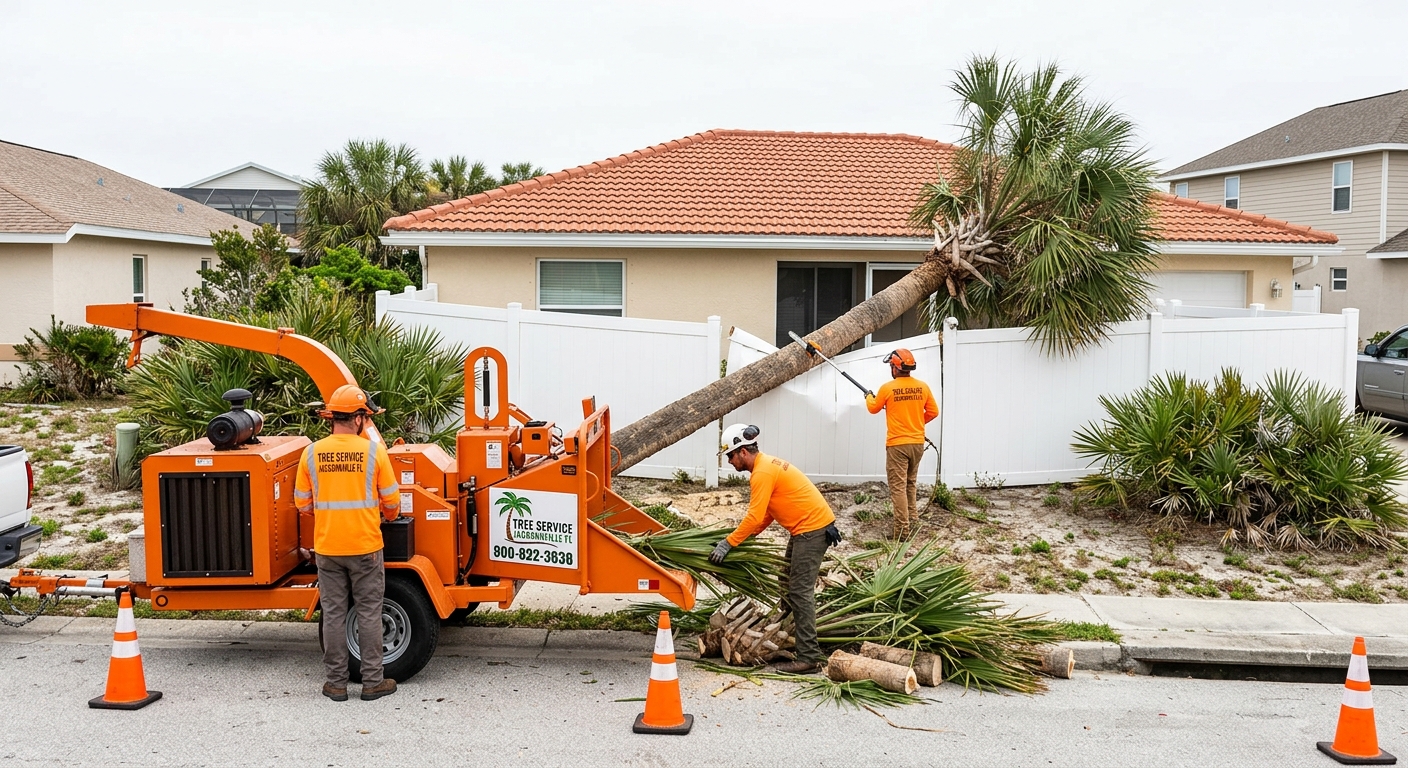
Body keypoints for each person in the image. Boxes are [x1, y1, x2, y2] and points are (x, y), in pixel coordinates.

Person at [294, 384, 400, 702]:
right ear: (356, 418)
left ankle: (336, 684)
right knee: (368, 612)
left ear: (332, 418)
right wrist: (385, 515)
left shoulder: (311, 453)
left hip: (328, 548)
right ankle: (372, 683)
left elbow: (302, 503)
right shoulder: (373, 452)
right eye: (364, 418)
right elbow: (392, 503)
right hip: (365, 545)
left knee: (335, 614)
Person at [709, 424, 841, 674]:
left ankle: (808, 657)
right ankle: (791, 637)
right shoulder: (766, 466)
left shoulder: (762, 472)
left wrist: (729, 543)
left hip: (811, 531)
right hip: (806, 529)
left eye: (730, 456)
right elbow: (768, 511)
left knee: (800, 592)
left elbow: (753, 514)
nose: (729, 461)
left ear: (743, 452)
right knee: (785, 582)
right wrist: (751, 535)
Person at [864, 348, 939, 540]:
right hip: (917, 443)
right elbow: (933, 412)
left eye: (891, 366)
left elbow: (873, 408)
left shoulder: (888, 388)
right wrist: (916, 423)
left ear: (895, 368)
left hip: (897, 445)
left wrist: (869, 396)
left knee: (897, 487)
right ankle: (912, 521)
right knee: (910, 484)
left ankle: (902, 532)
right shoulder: (922, 387)